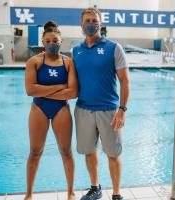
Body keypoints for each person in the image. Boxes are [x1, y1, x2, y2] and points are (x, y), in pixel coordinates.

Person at [73, 7, 130, 200]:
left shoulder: (114, 48)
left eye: (94, 20)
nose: (91, 24)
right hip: (83, 110)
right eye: (87, 20)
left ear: (101, 23)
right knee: (89, 152)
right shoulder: (76, 50)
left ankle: (116, 194)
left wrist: (122, 110)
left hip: (109, 110)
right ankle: (95, 188)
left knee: (113, 154)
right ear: (81, 25)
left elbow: (125, 81)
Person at [24, 21, 78, 200]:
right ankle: (29, 194)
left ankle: (70, 192)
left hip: (60, 109)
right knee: (34, 151)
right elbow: (30, 90)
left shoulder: (68, 62)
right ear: (43, 42)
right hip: (39, 108)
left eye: (55, 40)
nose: (51, 43)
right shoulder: (34, 61)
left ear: (61, 41)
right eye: (48, 41)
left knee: (66, 151)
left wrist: (45, 90)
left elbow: (73, 92)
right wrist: (59, 87)